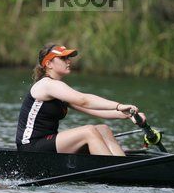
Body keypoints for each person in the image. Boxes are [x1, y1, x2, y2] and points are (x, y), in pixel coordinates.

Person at [16, 44, 145, 156]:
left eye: (68, 58)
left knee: (103, 129)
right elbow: (84, 100)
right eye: (63, 58)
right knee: (88, 131)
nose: (68, 61)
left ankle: (122, 167)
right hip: (30, 147)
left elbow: (91, 109)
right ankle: (115, 171)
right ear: (48, 64)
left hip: (47, 142)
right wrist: (118, 105)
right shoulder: (47, 85)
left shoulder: (59, 89)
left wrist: (128, 114)